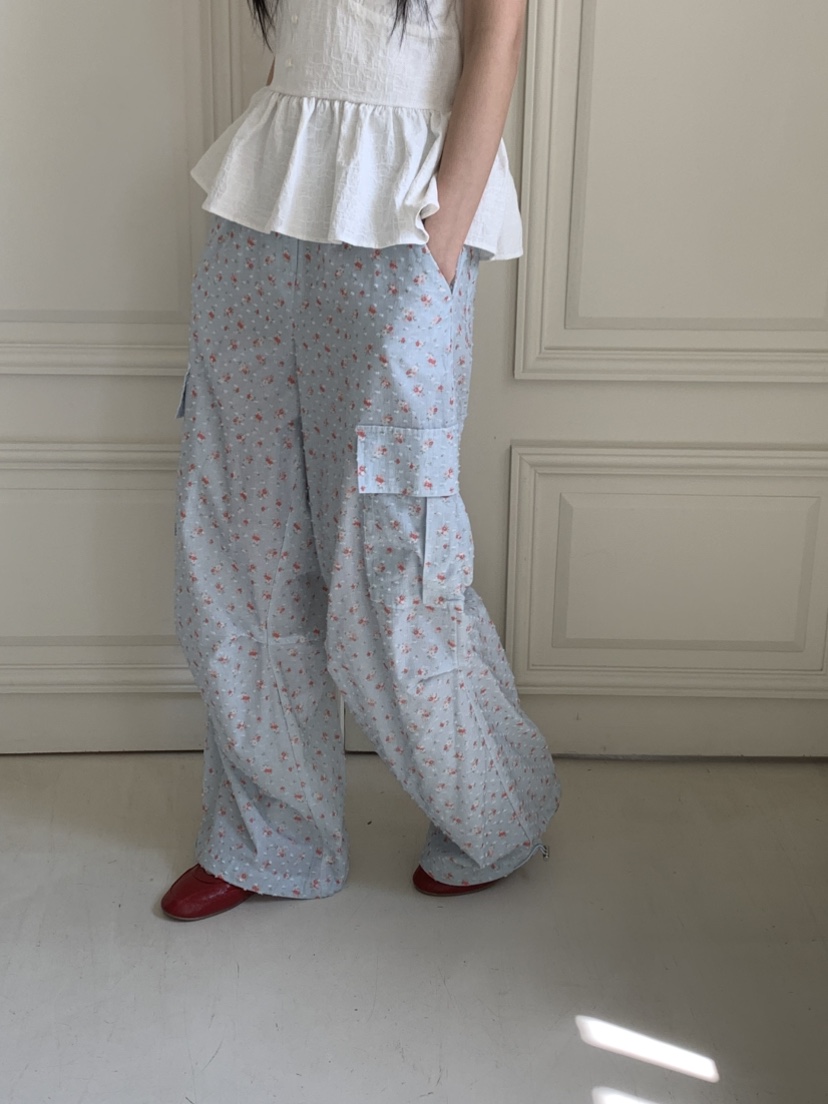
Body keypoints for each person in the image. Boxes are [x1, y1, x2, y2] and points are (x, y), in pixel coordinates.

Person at [160, 0, 561, 921]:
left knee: (394, 555)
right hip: (266, 207)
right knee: (240, 542)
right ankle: (271, 837)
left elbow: (498, 35)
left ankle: (497, 811)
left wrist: (442, 243)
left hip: (406, 215)